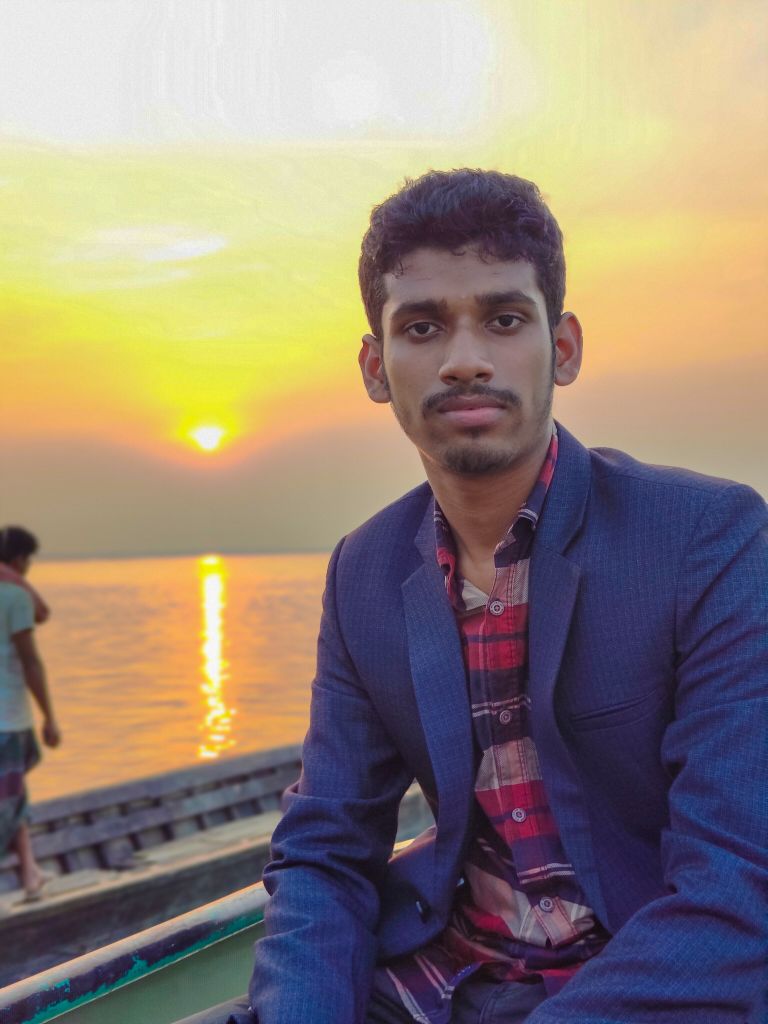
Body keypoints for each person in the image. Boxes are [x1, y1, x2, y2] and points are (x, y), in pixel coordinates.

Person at [178, 170, 767, 1024]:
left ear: (563, 347)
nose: (464, 360)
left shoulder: (705, 537)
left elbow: (737, 886)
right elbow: (325, 851)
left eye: (503, 319)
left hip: (645, 986)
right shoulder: (364, 572)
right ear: (376, 368)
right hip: (444, 978)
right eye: (423, 327)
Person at [0, 525, 61, 900]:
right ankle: (29, 875)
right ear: (20, 560)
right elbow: (31, 662)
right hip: (9, 720)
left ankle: (30, 873)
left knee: (14, 794)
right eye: (28, 562)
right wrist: (49, 717)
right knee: (9, 799)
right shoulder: (15, 597)